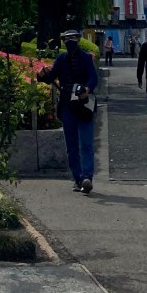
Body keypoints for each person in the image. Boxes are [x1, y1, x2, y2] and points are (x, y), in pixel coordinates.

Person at [38, 27, 99, 194]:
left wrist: (86, 89)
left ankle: (87, 177)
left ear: (79, 39)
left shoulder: (87, 58)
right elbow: (51, 77)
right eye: (67, 38)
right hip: (66, 104)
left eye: (74, 38)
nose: (70, 41)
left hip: (84, 103)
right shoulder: (61, 59)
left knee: (86, 143)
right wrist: (42, 75)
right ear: (64, 41)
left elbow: (94, 78)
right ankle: (78, 178)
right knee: (71, 145)